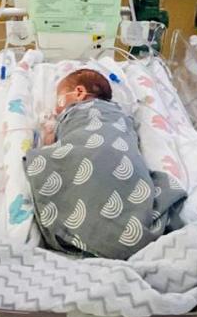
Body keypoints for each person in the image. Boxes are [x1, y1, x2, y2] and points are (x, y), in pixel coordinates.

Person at [24, 69, 187, 260]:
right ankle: (125, 227)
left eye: (58, 101)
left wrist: (48, 133)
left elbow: (55, 146)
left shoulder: (77, 112)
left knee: (44, 159)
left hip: (98, 151)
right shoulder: (120, 113)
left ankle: (94, 232)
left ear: (78, 93)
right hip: (119, 158)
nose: (56, 109)